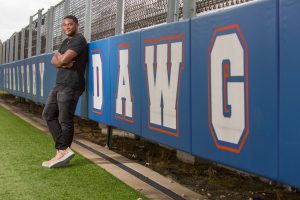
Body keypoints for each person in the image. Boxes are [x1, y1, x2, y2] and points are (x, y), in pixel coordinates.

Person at [42, 15, 88, 168]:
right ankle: (63, 150)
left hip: (72, 85)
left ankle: (62, 152)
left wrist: (61, 60)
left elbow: (60, 60)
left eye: (70, 24)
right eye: (64, 25)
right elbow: (54, 60)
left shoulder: (79, 40)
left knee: (65, 120)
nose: (67, 27)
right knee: (48, 114)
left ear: (76, 24)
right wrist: (63, 62)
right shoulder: (66, 41)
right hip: (60, 84)